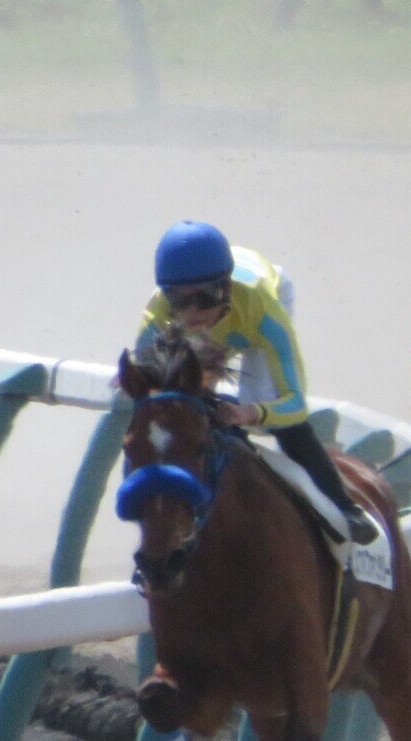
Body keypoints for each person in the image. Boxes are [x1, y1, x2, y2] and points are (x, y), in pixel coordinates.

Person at [137, 221, 376, 544]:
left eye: (206, 298)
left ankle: (344, 506)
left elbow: (294, 404)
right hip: (225, 315)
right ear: (166, 296)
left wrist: (250, 414)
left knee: (269, 409)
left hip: (261, 302)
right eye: (179, 300)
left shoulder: (263, 312)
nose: (193, 313)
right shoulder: (157, 315)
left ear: (227, 289)